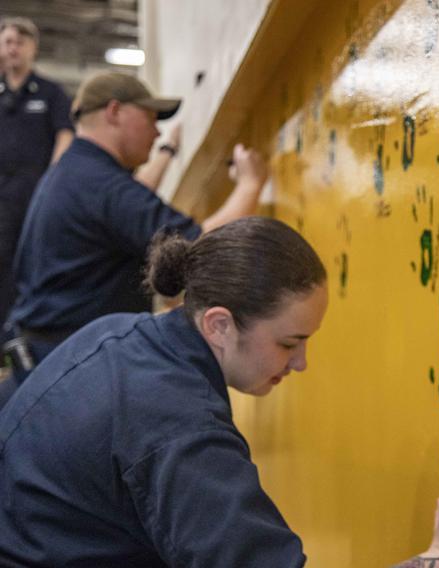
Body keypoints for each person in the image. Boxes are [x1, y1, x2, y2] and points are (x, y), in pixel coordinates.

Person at [0, 217, 439, 566]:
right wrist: (434, 560)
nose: (301, 363)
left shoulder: (120, 335)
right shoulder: (179, 426)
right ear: (219, 324)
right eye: (289, 342)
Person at [0, 71, 268, 405]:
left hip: (46, 364)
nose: (157, 132)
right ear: (114, 112)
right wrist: (251, 183)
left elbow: (130, 207)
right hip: (70, 375)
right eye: (150, 118)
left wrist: (168, 153)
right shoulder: (101, 184)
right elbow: (204, 246)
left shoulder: (75, 173)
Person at [0, 17, 74, 327]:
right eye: (7, 41)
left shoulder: (50, 93)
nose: (13, 47)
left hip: (34, 194)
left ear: (33, 48)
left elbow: (65, 135)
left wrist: (52, 182)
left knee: (31, 263)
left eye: (20, 41)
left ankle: (28, 332)